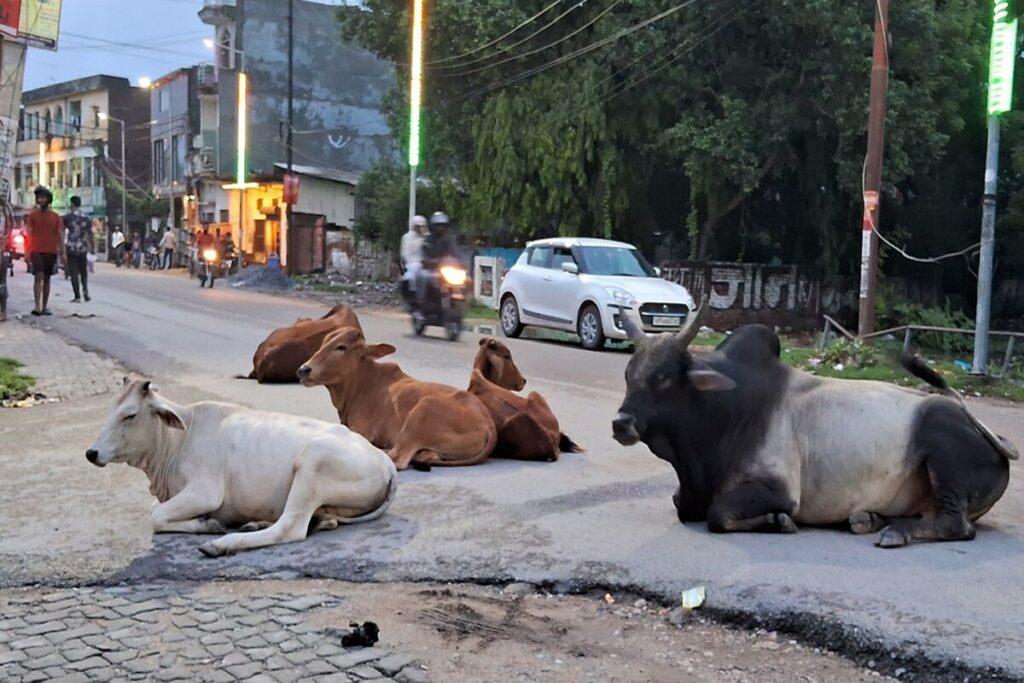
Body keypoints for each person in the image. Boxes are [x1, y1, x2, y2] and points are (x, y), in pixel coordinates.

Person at [25, 186, 64, 316]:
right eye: (39, 198)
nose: (41, 200)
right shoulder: (33, 216)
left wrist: (62, 252)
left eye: (43, 197)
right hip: (36, 250)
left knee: (47, 279)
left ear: (48, 199)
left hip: (51, 251)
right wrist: (27, 251)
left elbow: (60, 234)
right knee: (38, 276)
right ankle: (37, 306)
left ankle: (45, 306)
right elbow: (29, 233)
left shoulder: (56, 217)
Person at [63, 196, 93, 303]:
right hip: (83, 248)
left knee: (74, 272)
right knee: (83, 271)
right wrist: (91, 247)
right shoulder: (86, 218)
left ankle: (77, 296)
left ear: (72, 204)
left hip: (71, 248)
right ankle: (85, 291)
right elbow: (90, 233)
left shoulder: (68, 218)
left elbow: (62, 232)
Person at [400, 215, 427, 305]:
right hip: (412, 263)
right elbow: (405, 254)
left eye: (422, 226)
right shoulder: (407, 238)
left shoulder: (427, 237)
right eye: (418, 226)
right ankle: (413, 297)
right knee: (410, 277)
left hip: (426, 263)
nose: (420, 228)